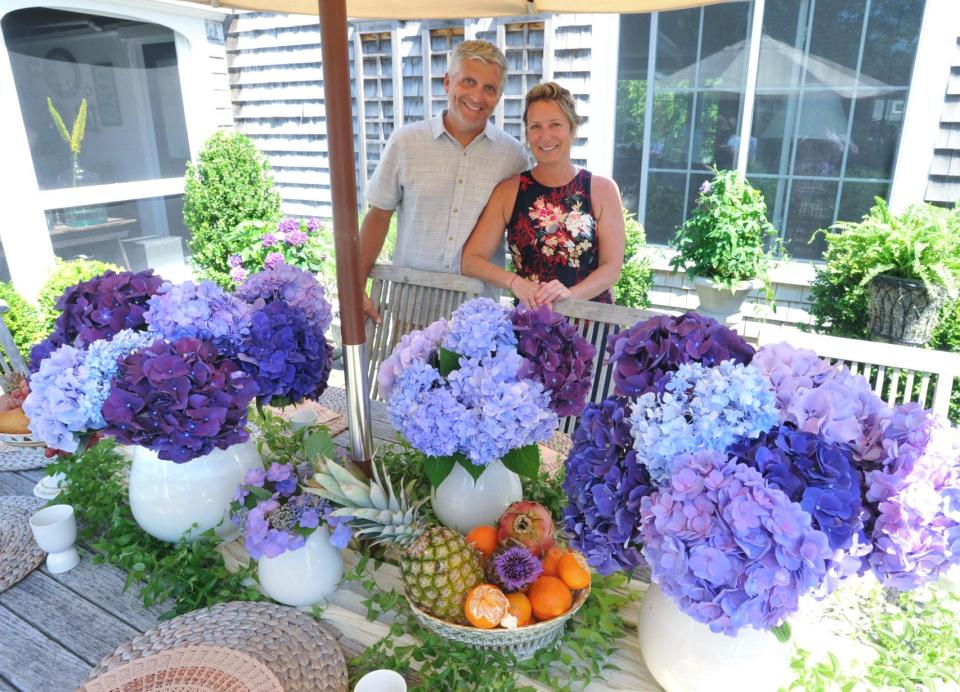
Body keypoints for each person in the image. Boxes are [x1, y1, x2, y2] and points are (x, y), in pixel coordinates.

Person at [357, 40, 529, 323]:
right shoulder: (406, 142)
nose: (477, 96)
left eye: (489, 88)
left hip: (477, 319)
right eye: (468, 81)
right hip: (410, 310)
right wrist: (355, 285)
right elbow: (378, 217)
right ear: (447, 82)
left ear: (499, 96)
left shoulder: (513, 158)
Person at [461, 82, 625, 308]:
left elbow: (611, 268)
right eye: (535, 126)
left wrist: (569, 295)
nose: (545, 136)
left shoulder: (602, 190)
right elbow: (470, 261)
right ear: (527, 133)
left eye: (555, 124)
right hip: (530, 329)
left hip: (591, 327)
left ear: (573, 128)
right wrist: (514, 282)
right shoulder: (509, 192)